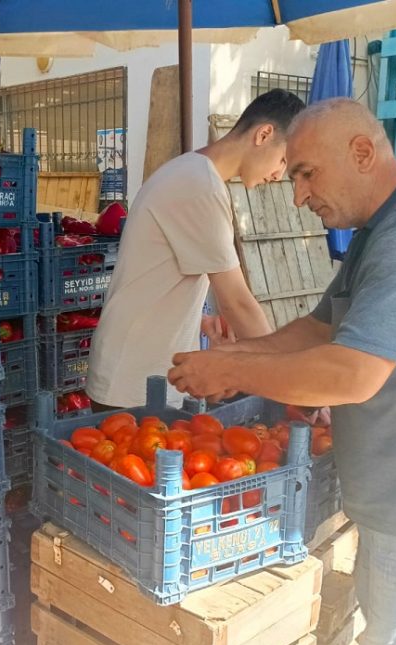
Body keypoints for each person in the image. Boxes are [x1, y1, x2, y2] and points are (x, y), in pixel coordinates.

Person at [167, 98, 396, 645]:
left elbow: (351, 373)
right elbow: (318, 331)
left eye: (307, 173)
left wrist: (231, 368)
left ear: (362, 152)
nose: (298, 194)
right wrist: (232, 365)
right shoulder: (385, 229)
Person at [85, 88, 306, 408]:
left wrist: (199, 320)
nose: (278, 175)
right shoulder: (199, 184)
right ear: (264, 134)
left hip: (147, 374)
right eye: (283, 159)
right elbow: (237, 302)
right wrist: (285, 382)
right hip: (133, 381)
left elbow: (161, 273)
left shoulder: (195, 173)